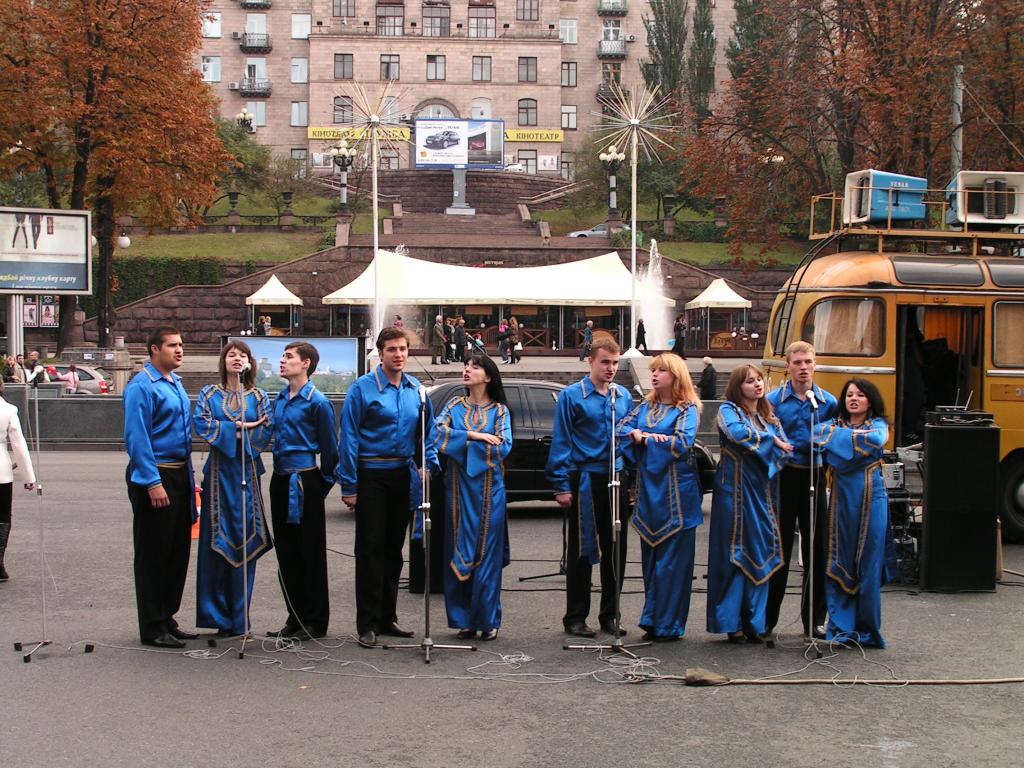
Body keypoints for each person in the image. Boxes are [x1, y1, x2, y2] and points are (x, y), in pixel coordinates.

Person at [338, 327, 440, 649]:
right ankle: (366, 623)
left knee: (394, 551)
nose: (398, 354)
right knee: (369, 550)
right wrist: (349, 484)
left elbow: (429, 433)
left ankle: (387, 617)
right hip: (371, 475)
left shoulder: (416, 391)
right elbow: (349, 438)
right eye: (392, 349)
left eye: (403, 349)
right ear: (379, 354)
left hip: (402, 475)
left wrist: (428, 465)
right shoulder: (362, 389)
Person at [546, 337, 633, 638]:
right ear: (591, 362)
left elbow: (627, 439)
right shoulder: (572, 396)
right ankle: (575, 617)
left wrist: (630, 477)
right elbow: (562, 441)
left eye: (615, 363)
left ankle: (610, 615)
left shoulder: (622, 396)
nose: (611, 368)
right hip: (584, 477)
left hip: (615, 477)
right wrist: (560, 484)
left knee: (616, 548)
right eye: (605, 362)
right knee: (583, 551)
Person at [618, 353, 702, 641]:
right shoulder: (646, 405)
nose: (654, 375)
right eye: (653, 370)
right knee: (652, 561)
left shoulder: (687, 408)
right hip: (648, 494)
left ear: (675, 375)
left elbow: (682, 443)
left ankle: (670, 624)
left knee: (674, 564)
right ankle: (652, 618)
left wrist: (645, 438)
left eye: (661, 371)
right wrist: (639, 435)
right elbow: (621, 430)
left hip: (677, 494)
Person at [122, 327, 197, 649]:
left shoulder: (175, 384)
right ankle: (152, 625)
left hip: (179, 474)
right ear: (154, 349)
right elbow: (136, 438)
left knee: (177, 551)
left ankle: (167, 616)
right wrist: (152, 481)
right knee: (154, 553)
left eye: (181, 344)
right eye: (172, 345)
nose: (179, 350)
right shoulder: (142, 385)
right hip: (156, 475)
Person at [192, 342, 273, 638]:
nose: (236, 359)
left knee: (246, 541)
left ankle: (240, 618)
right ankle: (219, 617)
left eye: (242, 355)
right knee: (216, 543)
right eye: (231, 354)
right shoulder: (209, 394)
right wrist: (238, 428)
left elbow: (266, 427)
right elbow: (201, 422)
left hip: (246, 473)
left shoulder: (259, 395)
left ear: (249, 362)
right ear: (223, 360)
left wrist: (243, 431)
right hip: (217, 474)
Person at [706, 364, 792, 643]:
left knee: (760, 549)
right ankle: (732, 622)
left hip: (762, 492)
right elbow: (737, 434)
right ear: (737, 387)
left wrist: (774, 444)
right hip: (733, 491)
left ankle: (755, 621)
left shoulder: (771, 418)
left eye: (758, 380)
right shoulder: (728, 411)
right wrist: (771, 442)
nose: (756, 385)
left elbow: (786, 451)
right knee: (733, 554)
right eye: (749, 381)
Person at [434, 353, 512, 641]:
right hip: (457, 492)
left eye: (475, 366)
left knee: (487, 556)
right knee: (458, 550)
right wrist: (474, 436)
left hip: (490, 493)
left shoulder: (500, 411)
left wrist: (462, 445)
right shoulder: (455, 405)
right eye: (466, 366)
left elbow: (504, 446)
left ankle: (488, 619)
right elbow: (436, 434)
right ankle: (464, 619)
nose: (467, 370)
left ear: (488, 376)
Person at [765, 341, 838, 638]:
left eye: (808, 362)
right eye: (797, 362)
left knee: (816, 548)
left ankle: (814, 619)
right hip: (785, 476)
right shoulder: (774, 400)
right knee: (779, 548)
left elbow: (834, 435)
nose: (803, 367)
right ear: (788, 366)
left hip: (815, 475)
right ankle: (768, 618)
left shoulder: (827, 401)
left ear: (815, 364)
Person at [267, 342, 338, 641]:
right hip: (280, 478)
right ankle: (294, 616)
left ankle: (315, 620)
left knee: (310, 552)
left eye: (289, 357)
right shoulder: (280, 399)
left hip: (305, 480)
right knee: (286, 552)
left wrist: (320, 486)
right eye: (283, 356)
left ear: (306, 363)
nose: (282, 362)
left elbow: (331, 452)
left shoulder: (317, 402)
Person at [813, 378, 890, 648]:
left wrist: (835, 442)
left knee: (868, 562)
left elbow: (877, 439)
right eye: (849, 395)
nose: (853, 399)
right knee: (839, 559)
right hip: (842, 501)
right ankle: (841, 627)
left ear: (871, 400)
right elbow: (815, 433)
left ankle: (867, 630)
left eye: (860, 395)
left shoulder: (878, 425)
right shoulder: (834, 424)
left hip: (872, 499)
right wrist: (848, 442)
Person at [0, 378, 36, 582]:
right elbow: (19, 445)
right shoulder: (9, 410)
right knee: (3, 517)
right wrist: (28, 476)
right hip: (1, 470)